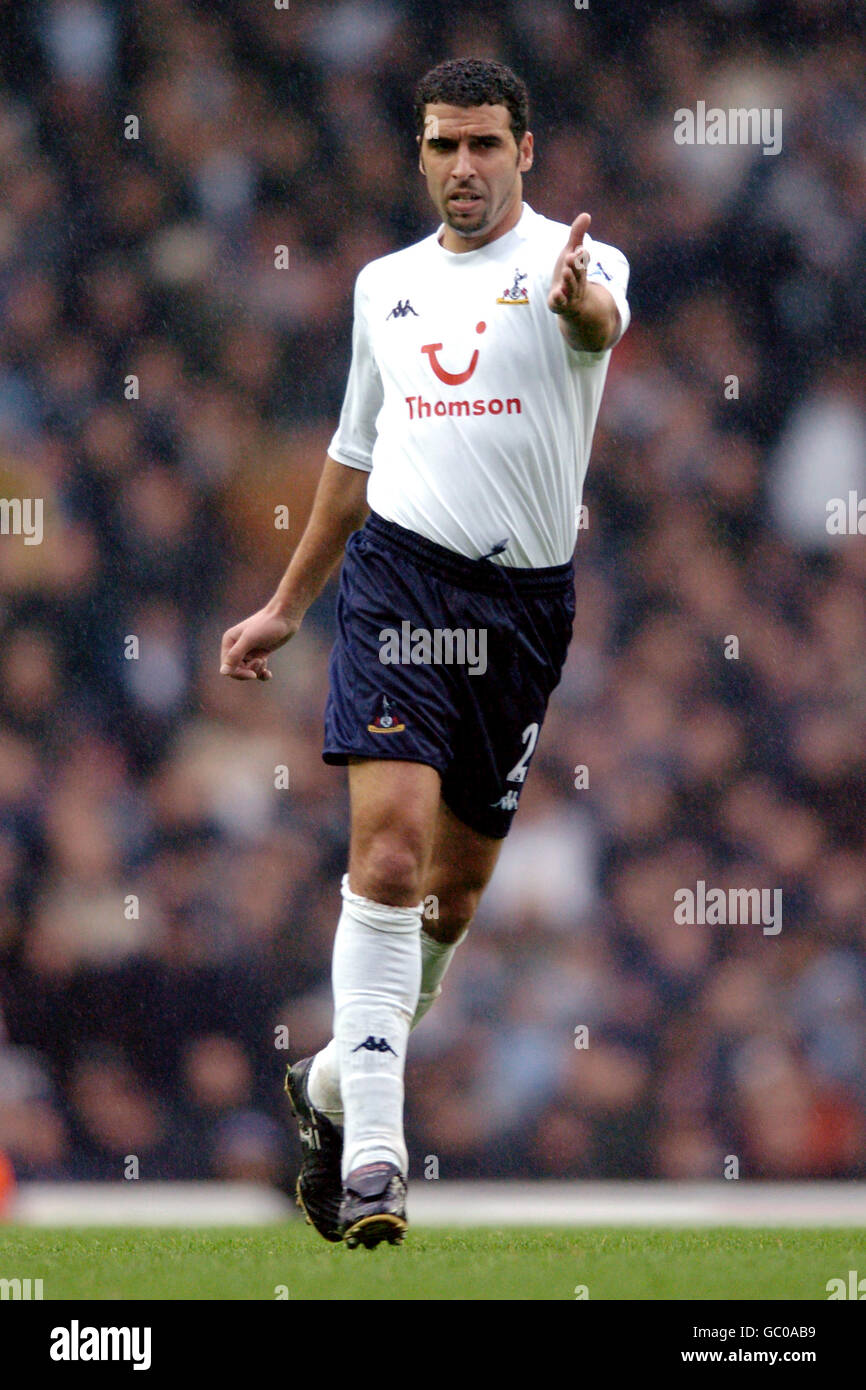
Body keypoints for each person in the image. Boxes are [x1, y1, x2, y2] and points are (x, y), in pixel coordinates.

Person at [219, 57, 630, 1249]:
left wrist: (573, 309)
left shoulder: (582, 260)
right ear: (418, 152)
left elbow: (597, 318)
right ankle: (378, 1168)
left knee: (449, 899)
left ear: (525, 149)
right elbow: (352, 459)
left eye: (485, 145)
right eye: (443, 145)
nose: (463, 166)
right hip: (399, 583)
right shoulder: (382, 286)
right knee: (388, 861)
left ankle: (334, 1088)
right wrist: (289, 603)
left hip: (522, 612)